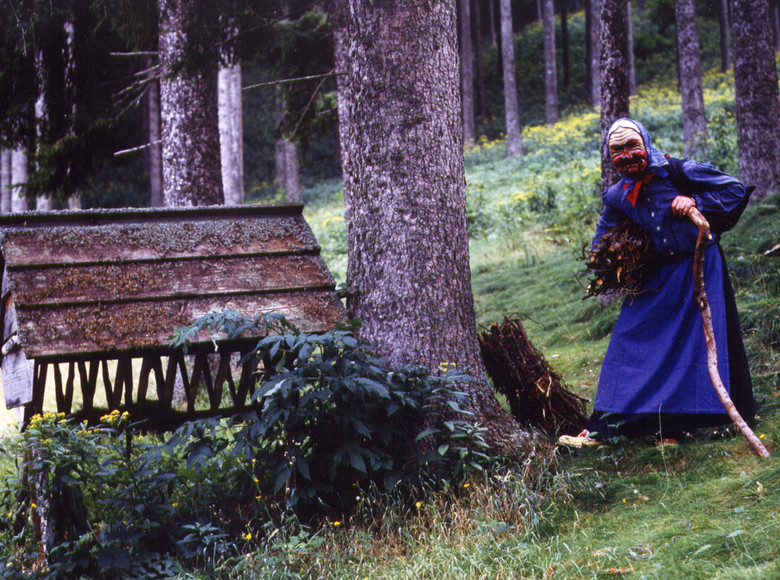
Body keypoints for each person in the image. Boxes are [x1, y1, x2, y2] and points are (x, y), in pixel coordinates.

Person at [580, 118, 755, 442]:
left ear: (646, 143)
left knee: (698, 343)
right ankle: (607, 424)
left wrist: (696, 203)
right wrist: (601, 259)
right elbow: (603, 234)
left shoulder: (680, 171)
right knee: (630, 339)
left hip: (700, 265)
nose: (626, 155)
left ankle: (688, 422)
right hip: (656, 275)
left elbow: (734, 190)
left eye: (632, 146)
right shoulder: (618, 196)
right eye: (617, 150)